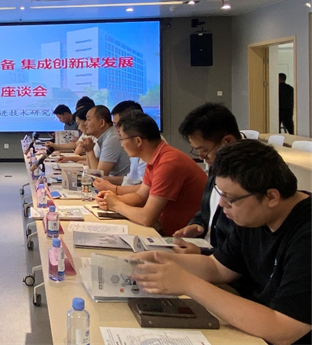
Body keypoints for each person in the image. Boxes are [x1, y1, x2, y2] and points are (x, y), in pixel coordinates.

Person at [132, 140, 312, 345]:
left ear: (271, 197)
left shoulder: (305, 235)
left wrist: (188, 284)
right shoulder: (255, 216)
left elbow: (285, 329)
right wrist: (158, 259)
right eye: (220, 194)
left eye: (230, 198)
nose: (222, 204)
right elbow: (218, 267)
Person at [95, 112, 207, 236]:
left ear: (138, 141)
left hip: (183, 238)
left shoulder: (168, 162)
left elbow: (147, 218)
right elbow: (140, 196)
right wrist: (108, 199)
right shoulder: (155, 156)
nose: (121, 144)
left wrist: (116, 204)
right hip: (168, 231)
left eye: (121, 139)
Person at [173, 103, 241, 255]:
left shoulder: (248, 175)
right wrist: (198, 225)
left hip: (221, 261)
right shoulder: (216, 162)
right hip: (207, 250)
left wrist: (201, 253)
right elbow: (207, 210)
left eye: (203, 150)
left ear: (227, 141)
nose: (201, 157)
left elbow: (242, 249)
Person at [93, 100, 146, 189]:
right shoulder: (135, 145)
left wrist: (113, 190)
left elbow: (144, 191)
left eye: (118, 125)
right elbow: (131, 180)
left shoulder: (147, 147)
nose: (116, 129)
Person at [76, 105, 130, 177]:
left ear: (102, 123)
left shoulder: (112, 139)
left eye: (88, 120)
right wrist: (88, 150)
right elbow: (91, 170)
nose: (85, 123)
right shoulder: (105, 136)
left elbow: (98, 175)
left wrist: (89, 151)